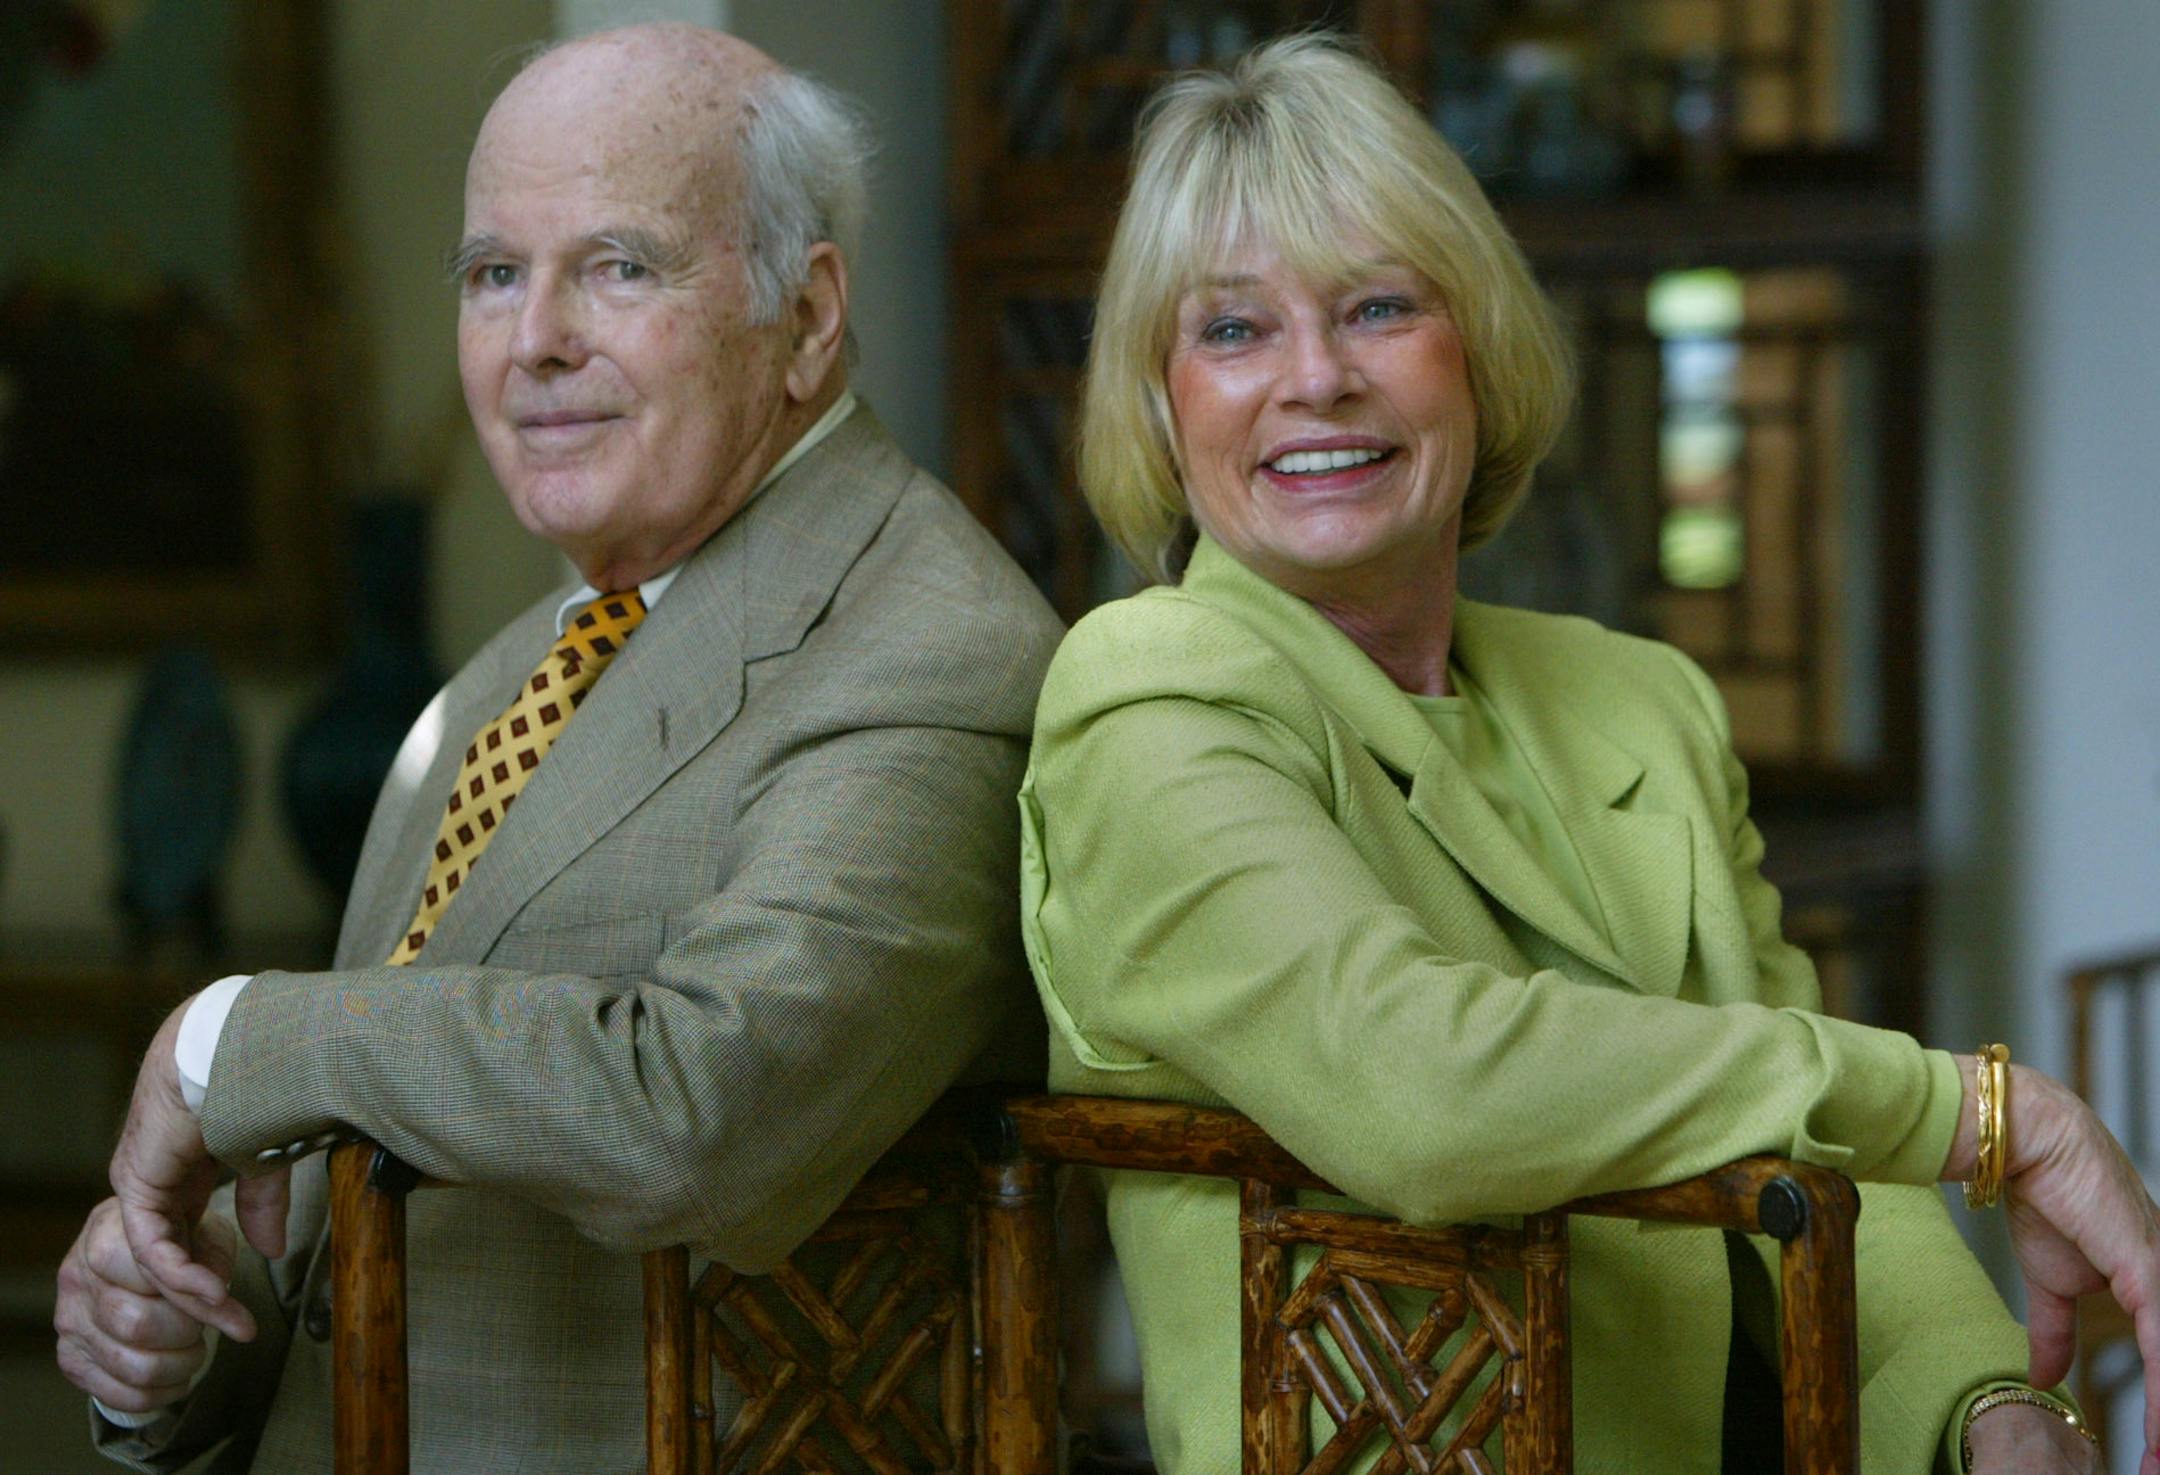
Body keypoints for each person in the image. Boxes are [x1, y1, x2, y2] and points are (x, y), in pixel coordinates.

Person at [1019, 35, 2158, 1475]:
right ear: (1159, 403)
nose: (1316, 379)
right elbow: (1421, 1090)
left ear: (1480, 352)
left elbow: (1817, 1157)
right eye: (1233, 332)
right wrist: (1987, 1115)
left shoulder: (1638, 702)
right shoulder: (1139, 696)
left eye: (1379, 307)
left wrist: (1987, 1410)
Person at [55, 23, 1063, 1472]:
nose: (535, 341)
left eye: (618, 266)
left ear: (811, 312)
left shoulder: (929, 645)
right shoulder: (495, 682)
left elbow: (702, 1115)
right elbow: (359, 1213)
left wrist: (232, 1040)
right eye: (492, 275)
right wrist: (175, 1342)